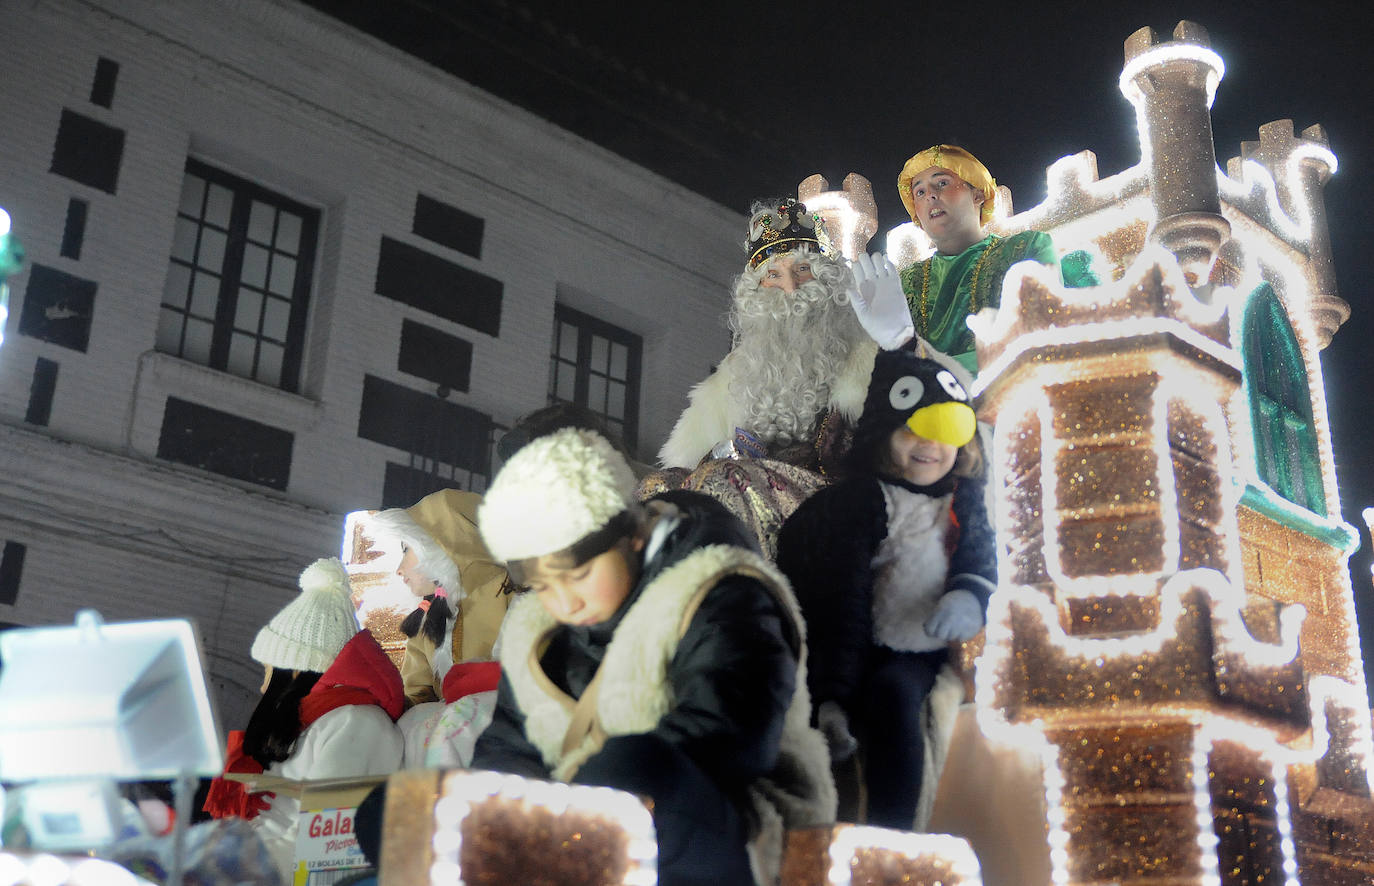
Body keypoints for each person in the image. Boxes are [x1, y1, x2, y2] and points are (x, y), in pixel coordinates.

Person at [472, 428, 835, 885]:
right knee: (414, 810)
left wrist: (581, 804)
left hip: (738, 828)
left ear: (633, 537)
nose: (565, 604)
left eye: (580, 575)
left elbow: (731, 737)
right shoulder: (540, 635)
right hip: (588, 830)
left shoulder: (721, 592)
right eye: (543, 587)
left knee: (630, 770)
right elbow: (508, 748)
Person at [775, 342, 996, 832]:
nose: (930, 444)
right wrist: (832, 692)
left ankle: (893, 833)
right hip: (858, 647)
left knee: (896, 700)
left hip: (922, 653)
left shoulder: (964, 498)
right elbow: (840, 595)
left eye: (946, 433)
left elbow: (981, 552)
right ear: (881, 433)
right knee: (851, 709)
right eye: (912, 428)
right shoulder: (861, 501)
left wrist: (970, 594)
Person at [648, 197, 877, 556]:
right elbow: (688, 463)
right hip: (736, 498)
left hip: (825, 510)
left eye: (802, 270)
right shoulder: (737, 371)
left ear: (827, 279)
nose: (790, 289)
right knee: (657, 491)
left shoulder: (866, 357)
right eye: (774, 275)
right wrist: (722, 454)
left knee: (727, 483)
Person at [203, 557, 404, 881]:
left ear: (295, 669)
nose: (262, 684)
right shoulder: (323, 723)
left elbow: (323, 845)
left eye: (268, 671)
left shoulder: (355, 725)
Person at [890, 145, 1058, 374]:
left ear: (978, 193)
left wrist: (932, 372)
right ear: (916, 214)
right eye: (919, 192)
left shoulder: (1025, 249)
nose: (930, 195)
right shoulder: (906, 282)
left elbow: (1043, 333)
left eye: (942, 183)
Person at [367, 489, 509, 708]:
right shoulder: (427, 620)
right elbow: (417, 696)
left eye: (406, 549)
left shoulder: (511, 592)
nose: (399, 569)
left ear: (444, 540)